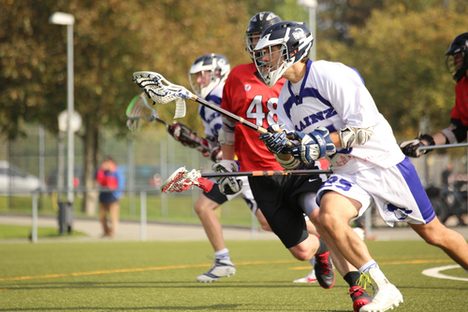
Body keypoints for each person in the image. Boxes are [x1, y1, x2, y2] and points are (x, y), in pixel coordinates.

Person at [254, 21, 468, 312]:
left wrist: (320, 141)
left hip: (382, 162)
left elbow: (364, 128)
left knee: (434, 234)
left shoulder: (330, 74)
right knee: (327, 217)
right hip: (347, 170)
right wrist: (283, 150)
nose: (265, 59)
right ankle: (384, 287)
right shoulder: (284, 101)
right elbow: (297, 160)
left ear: (294, 49)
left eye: (272, 51)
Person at [219, 12, 372, 311]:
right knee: (303, 250)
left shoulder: (292, 78)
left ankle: (357, 286)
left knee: (321, 216)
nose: (264, 52)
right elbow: (227, 127)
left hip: (299, 168)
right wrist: (228, 163)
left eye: (269, 45)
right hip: (261, 175)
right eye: (256, 43)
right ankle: (323, 250)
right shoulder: (237, 77)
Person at [400, 32, 467, 156]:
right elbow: (458, 130)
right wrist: (425, 144)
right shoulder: (462, 87)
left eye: (458, 56)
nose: (455, 61)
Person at [96, 156, 125, 238]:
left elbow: (121, 184)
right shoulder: (103, 172)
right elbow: (98, 180)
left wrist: (118, 194)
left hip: (113, 196)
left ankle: (113, 232)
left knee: (113, 216)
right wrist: (101, 170)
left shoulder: (117, 172)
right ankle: (106, 232)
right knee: (102, 216)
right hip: (103, 196)